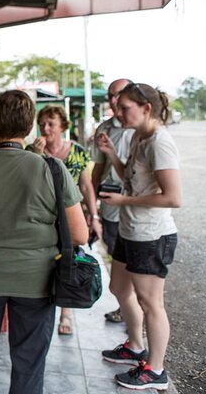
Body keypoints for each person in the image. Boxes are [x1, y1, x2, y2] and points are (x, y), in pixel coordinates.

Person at [0, 90, 88, 394]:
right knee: (28, 360)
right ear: (29, 128)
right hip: (36, 279)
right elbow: (80, 234)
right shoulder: (51, 168)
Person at [97, 83, 181, 390]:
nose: (118, 113)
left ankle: (156, 370)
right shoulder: (137, 137)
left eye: (125, 107)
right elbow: (132, 180)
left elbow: (173, 197)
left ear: (146, 108)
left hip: (152, 234)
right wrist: (111, 154)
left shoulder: (159, 142)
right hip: (130, 230)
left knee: (151, 303)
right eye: (118, 107)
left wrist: (123, 203)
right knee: (118, 287)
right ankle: (135, 347)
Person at [29, 104, 102, 336]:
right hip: (42, 214)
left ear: (63, 126)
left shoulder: (77, 151)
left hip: (71, 214)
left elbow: (86, 184)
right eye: (42, 124)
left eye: (51, 123)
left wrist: (93, 215)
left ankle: (66, 311)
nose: (46, 128)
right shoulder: (32, 150)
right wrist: (36, 155)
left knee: (69, 258)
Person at [91, 78, 135, 323]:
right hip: (110, 206)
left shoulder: (141, 129)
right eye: (110, 95)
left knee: (136, 267)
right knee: (116, 260)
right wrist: (93, 206)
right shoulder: (105, 128)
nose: (113, 100)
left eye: (118, 95)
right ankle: (125, 309)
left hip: (136, 207)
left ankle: (135, 317)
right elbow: (97, 169)